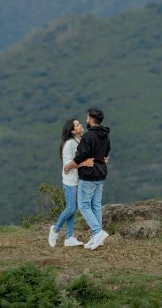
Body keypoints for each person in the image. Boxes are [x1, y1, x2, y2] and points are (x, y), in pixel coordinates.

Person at [65, 107, 111, 250]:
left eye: (86, 118)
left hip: (89, 175)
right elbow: (106, 153)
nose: (85, 121)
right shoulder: (106, 135)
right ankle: (96, 238)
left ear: (91, 119)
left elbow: (80, 156)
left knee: (84, 205)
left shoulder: (88, 136)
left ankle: (97, 232)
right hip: (101, 174)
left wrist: (68, 167)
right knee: (96, 205)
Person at [48, 117, 93, 248]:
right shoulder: (69, 144)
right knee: (70, 208)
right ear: (73, 131)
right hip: (70, 181)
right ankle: (55, 230)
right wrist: (84, 163)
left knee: (73, 209)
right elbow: (67, 166)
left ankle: (69, 237)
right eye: (78, 125)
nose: (81, 125)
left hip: (77, 180)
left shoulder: (78, 140)